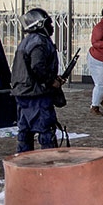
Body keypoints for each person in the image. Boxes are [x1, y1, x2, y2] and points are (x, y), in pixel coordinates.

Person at [10, 8, 64, 152]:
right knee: (45, 131)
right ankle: (47, 164)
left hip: (23, 93)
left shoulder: (27, 41)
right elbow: (37, 67)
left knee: (25, 132)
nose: (51, 27)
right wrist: (51, 81)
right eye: (48, 23)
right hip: (36, 94)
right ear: (40, 24)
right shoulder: (39, 42)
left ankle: (23, 165)